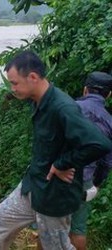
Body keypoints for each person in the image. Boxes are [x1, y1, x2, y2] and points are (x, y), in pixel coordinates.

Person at [0, 51, 112, 250]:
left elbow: (99, 144)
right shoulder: (38, 100)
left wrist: (62, 163)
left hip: (55, 195)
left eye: (14, 83)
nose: (12, 88)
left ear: (32, 77)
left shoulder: (63, 107)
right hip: (33, 185)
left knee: (55, 246)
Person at [69, 72, 112, 250]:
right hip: (85, 180)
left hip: (57, 175)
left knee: (49, 227)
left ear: (85, 89)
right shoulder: (110, 121)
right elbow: (107, 161)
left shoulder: (69, 108)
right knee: (78, 229)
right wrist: (96, 183)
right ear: (109, 94)